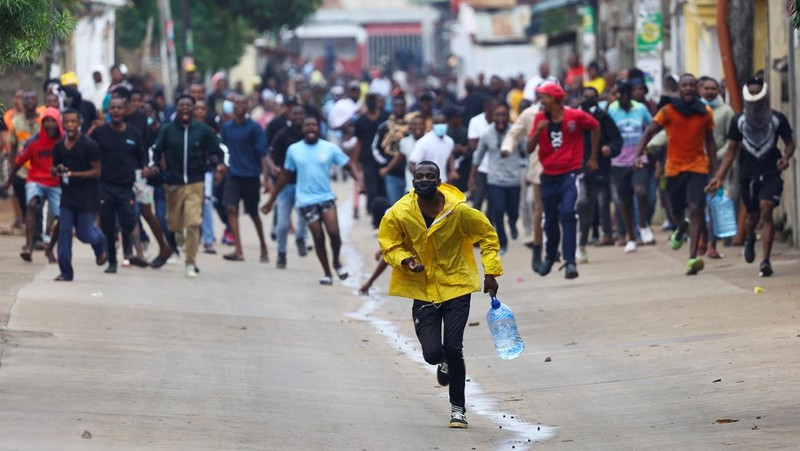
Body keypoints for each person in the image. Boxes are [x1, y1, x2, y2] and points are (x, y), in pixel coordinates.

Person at [377, 161, 502, 429]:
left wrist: (490, 272)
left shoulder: (458, 212)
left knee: (454, 348)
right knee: (433, 353)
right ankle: (442, 361)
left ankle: (458, 409)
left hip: (456, 284)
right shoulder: (400, 212)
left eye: (429, 176)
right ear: (412, 182)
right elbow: (389, 245)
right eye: (419, 176)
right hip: (423, 289)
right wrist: (406, 260)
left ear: (439, 180)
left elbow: (488, 235)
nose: (424, 180)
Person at [706, 78, 794, 277]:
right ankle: (749, 238)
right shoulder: (739, 121)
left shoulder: (777, 119)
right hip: (748, 174)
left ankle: (765, 261)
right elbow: (730, 151)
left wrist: (786, 157)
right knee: (752, 217)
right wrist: (719, 176)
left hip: (771, 171)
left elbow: (789, 143)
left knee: (767, 208)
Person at [262, 117, 361, 284]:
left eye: (314, 125)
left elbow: (348, 164)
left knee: (334, 233)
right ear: (303, 129)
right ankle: (327, 273)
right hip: (306, 200)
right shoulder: (294, 150)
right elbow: (285, 175)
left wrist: (360, 181)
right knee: (318, 236)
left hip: (326, 197)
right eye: (307, 125)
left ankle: (336, 261)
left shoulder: (329, 148)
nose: (310, 128)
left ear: (318, 128)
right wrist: (271, 200)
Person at [635, 74, 717, 275]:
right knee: (676, 212)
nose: (688, 88)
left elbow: (710, 141)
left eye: (691, 85)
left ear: (696, 89)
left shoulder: (705, 112)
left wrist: (714, 172)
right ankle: (681, 226)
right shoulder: (668, 110)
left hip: (698, 166)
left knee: (697, 208)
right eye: (684, 85)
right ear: (679, 89)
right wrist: (638, 154)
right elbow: (649, 131)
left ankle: (692, 258)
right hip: (673, 169)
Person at [527, 82, 599, 279]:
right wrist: (538, 132)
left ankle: (570, 261)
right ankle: (551, 256)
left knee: (567, 213)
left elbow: (595, 126)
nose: (541, 101)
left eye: (545, 97)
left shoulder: (574, 116)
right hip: (548, 175)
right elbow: (529, 148)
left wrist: (592, 157)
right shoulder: (540, 119)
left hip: (570, 173)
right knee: (549, 219)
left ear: (556, 99)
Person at [151, 94, 225, 278]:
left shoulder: (202, 130)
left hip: (195, 182)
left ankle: (190, 263)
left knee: (193, 223)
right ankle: (178, 237)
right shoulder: (167, 130)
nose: (185, 108)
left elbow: (219, 147)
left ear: (193, 109)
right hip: (173, 184)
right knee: (174, 224)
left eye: (188, 105)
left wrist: (221, 164)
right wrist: (156, 166)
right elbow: (156, 150)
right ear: (176, 108)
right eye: (181, 105)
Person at [90, 97, 149, 273]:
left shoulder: (133, 133)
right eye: (112, 108)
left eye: (119, 108)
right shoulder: (99, 133)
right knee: (108, 225)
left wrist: (145, 168)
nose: (116, 111)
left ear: (125, 111)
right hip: (105, 186)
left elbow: (142, 156)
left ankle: (129, 252)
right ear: (108, 111)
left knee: (129, 220)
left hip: (126, 187)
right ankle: (113, 262)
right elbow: (88, 150)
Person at [52, 109, 107, 280]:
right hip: (67, 196)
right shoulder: (59, 146)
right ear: (62, 124)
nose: (69, 125)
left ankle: (100, 241)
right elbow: (55, 167)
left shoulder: (89, 145)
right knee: (64, 231)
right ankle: (66, 272)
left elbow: (97, 172)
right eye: (66, 122)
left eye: (72, 122)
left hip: (87, 196)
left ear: (79, 123)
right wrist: (56, 170)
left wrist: (73, 174)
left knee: (85, 235)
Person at [3, 107, 63, 263]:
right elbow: (18, 162)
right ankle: (29, 246)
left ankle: (50, 248)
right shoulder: (33, 142)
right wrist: (9, 180)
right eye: (47, 121)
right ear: (42, 123)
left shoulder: (64, 142)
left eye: (53, 121)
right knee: (31, 204)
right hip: (36, 179)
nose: (50, 125)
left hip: (57, 183)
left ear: (58, 123)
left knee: (61, 218)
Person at [469, 104, 526, 255]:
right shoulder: (487, 134)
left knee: (513, 211)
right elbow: (478, 156)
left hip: (513, 179)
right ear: (492, 117)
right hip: (494, 180)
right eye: (497, 115)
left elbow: (525, 151)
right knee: (498, 212)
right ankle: (503, 243)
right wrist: (472, 177)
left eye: (503, 115)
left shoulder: (515, 132)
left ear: (508, 116)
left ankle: (513, 222)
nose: (500, 118)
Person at [607, 81, 655, 256]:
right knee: (624, 201)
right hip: (619, 161)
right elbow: (605, 131)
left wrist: (649, 145)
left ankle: (642, 223)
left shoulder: (640, 109)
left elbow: (652, 127)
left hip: (638, 158)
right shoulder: (611, 109)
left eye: (627, 94)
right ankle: (631, 237)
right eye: (620, 94)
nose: (624, 98)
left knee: (641, 191)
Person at [220, 96, 270, 262]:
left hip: (250, 175)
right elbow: (223, 149)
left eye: (242, 104)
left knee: (253, 212)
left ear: (248, 107)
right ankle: (238, 249)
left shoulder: (255, 128)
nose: (239, 107)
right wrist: (221, 168)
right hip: (233, 174)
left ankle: (263, 245)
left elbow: (263, 153)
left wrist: (265, 178)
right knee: (231, 209)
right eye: (236, 104)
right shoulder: (227, 128)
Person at [576, 87, 622, 261]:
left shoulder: (603, 117)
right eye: (585, 97)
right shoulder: (574, 118)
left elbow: (617, 140)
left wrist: (610, 148)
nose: (588, 100)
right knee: (583, 202)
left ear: (597, 99)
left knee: (603, 203)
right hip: (578, 169)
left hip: (600, 167)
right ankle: (582, 237)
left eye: (592, 97)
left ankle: (604, 233)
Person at [502, 93, 544, 268]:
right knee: (534, 206)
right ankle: (536, 245)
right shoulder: (529, 115)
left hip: (563, 168)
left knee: (564, 210)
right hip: (537, 169)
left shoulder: (566, 113)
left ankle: (563, 249)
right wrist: (507, 148)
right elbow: (513, 134)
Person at [267, 104, 310, 268]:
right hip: (284, 185)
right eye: (295, 114)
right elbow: (270, 155)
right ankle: (281, 253)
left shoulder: (309, 135)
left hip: (304, 185)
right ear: (290, 116)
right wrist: (273, 168)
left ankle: (301, 238)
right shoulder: (282, 134)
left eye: (301, 114)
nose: (298, 117)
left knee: (304, 217)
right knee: (283, 223)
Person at [698, 76, 735, 259]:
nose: (710, 91)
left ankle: (712, 244)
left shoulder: (726, 111)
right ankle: (701, 237)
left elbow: (732, 140)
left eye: (713, 88)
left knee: (714, 204)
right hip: (695, 164)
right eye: (706, 88)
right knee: (696, 204)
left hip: (716, 164)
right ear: (700, 90)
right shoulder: (694, 110)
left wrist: (718, 157)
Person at [372, 95, 410, 204]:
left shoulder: (412, 127)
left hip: (409, 174)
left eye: (401, 105)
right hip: (391, 174)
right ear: (392, 107)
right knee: (394, 207)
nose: (399, 108)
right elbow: (375, 148)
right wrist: (385, 163)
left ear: (405, 107)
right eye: (396, 105)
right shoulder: (384, 127)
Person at [408, 113, 455, 183]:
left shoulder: (449, 141)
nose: (440, 125)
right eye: (437, 123)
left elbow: (450, 155)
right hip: (426, 184)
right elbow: (411, 164)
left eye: (443, 123)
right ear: (432, 125)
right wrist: (421, 179)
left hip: (443, 183)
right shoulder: (424, 142)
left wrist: (452, 170)